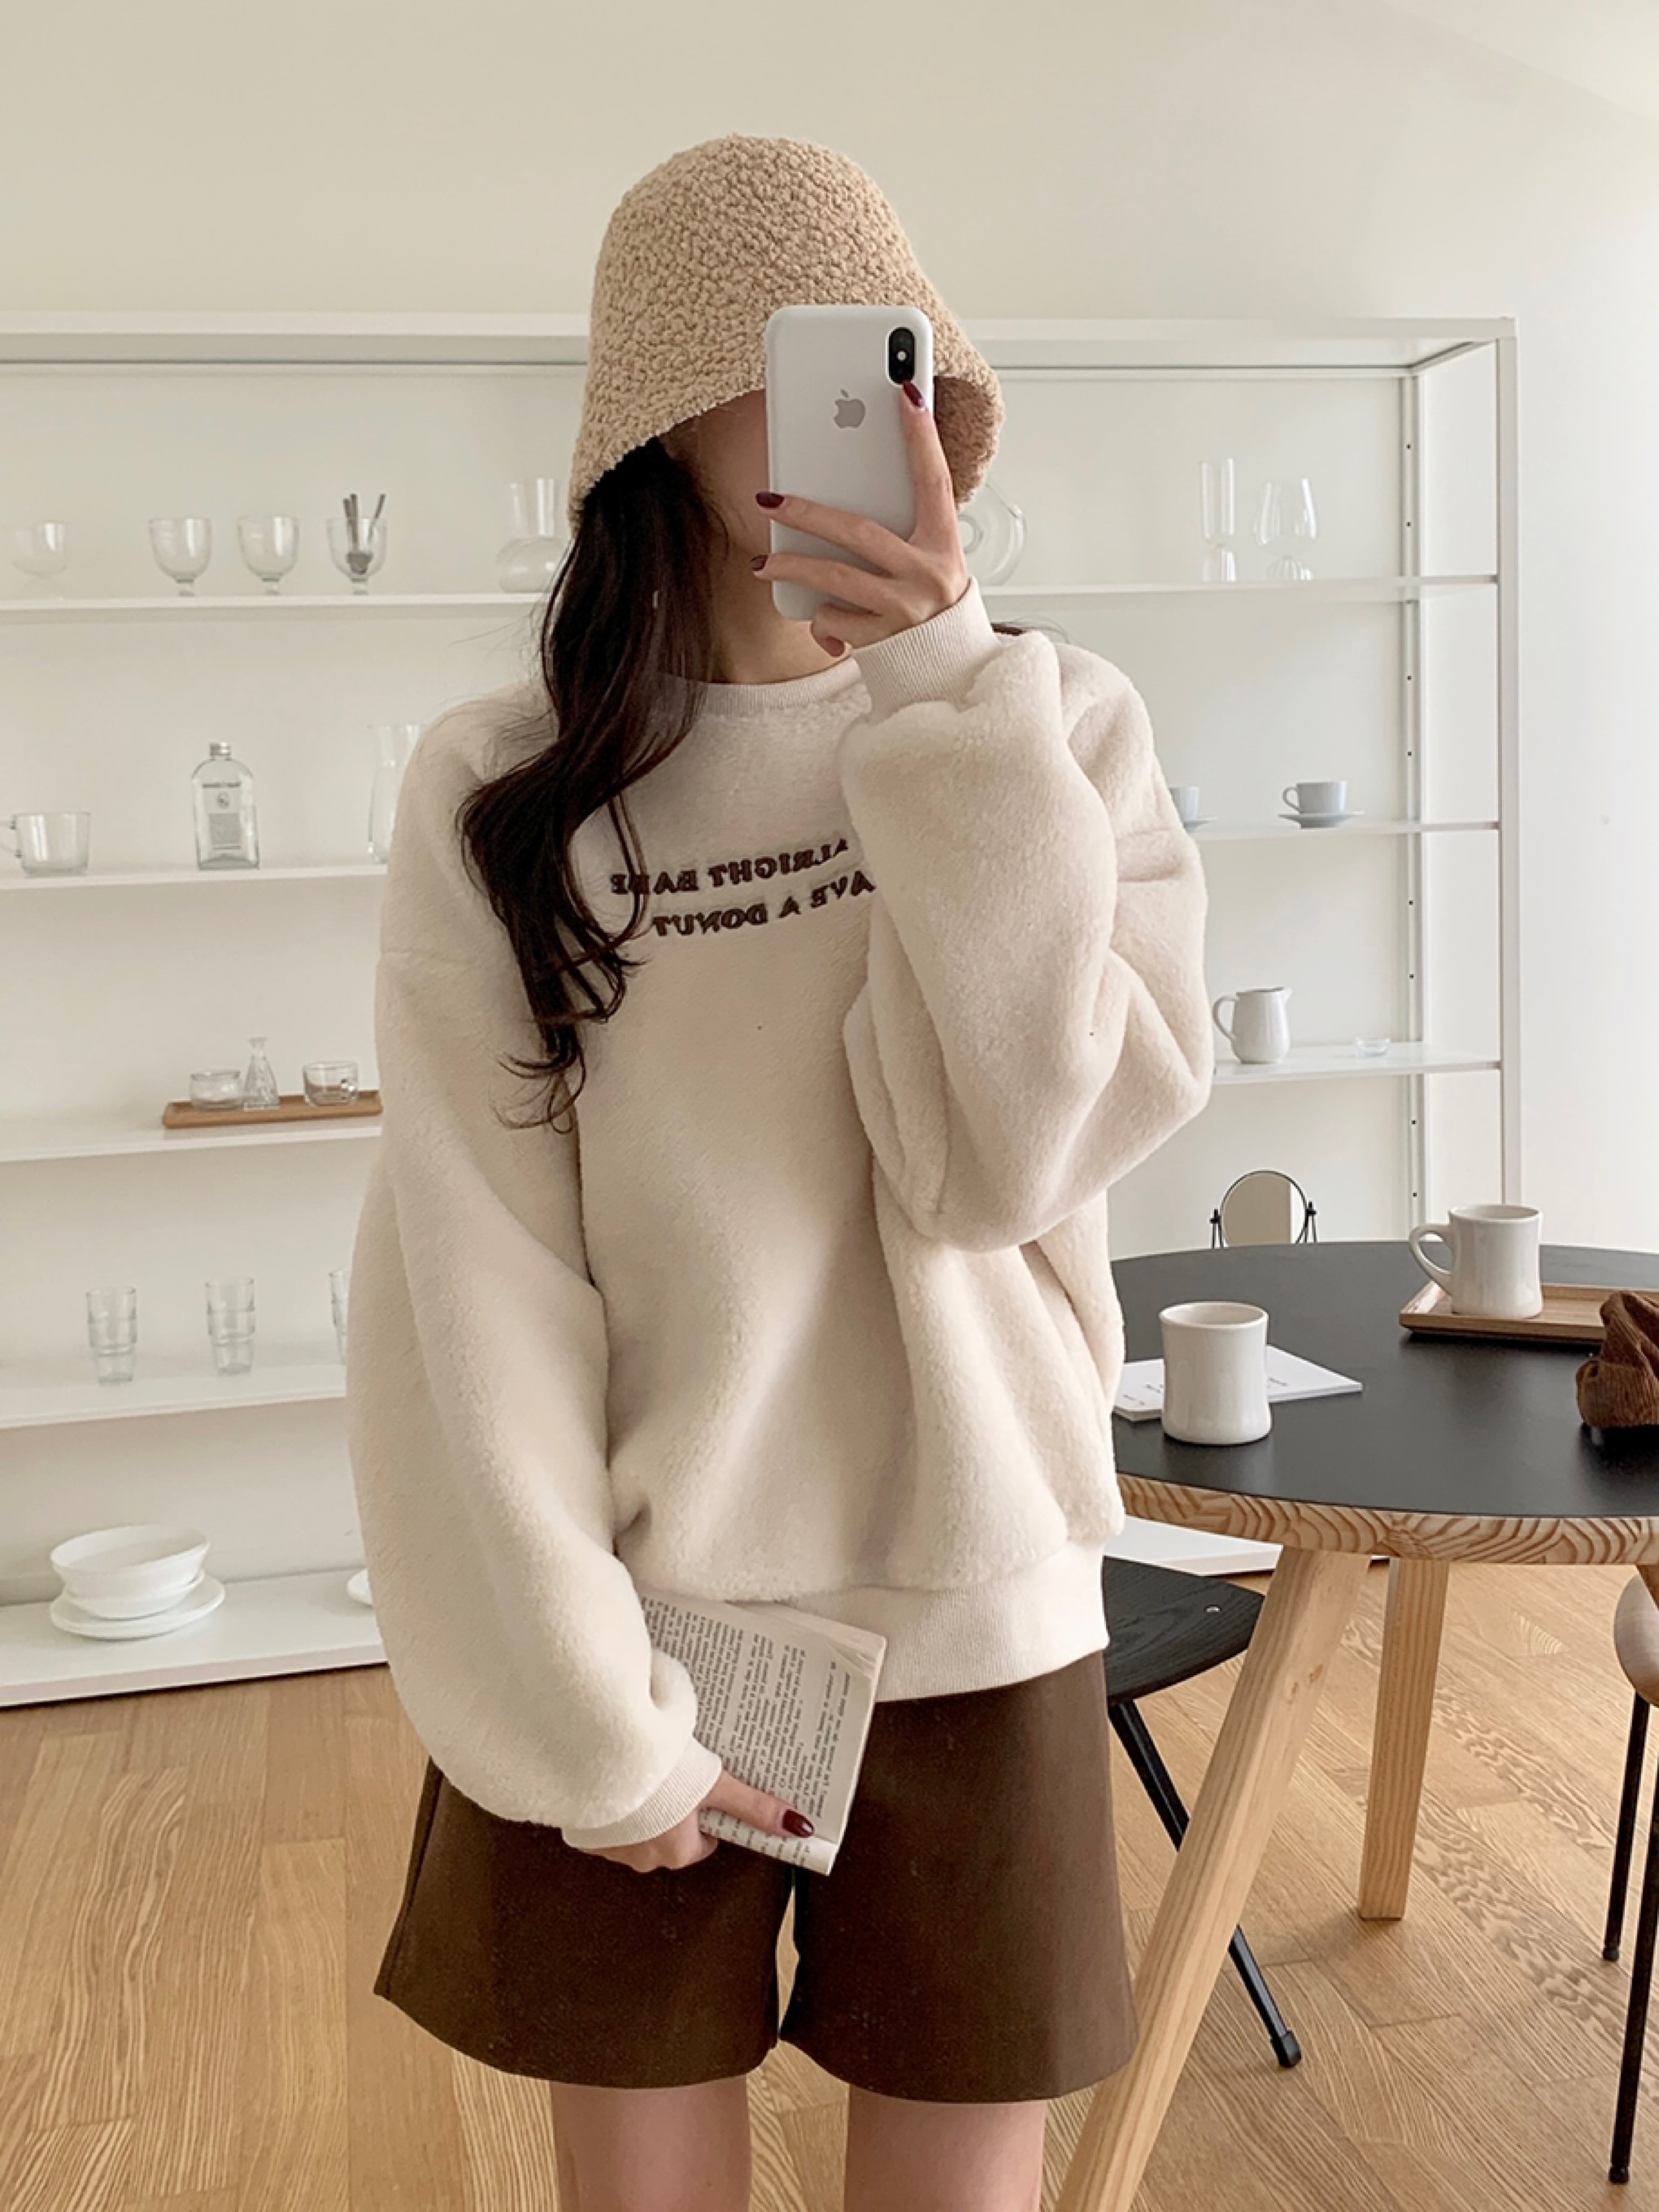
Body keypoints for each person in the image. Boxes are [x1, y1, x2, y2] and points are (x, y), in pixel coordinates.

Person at [344, 133, 1213, 2212]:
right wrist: (592, 1716)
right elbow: (477, 1288)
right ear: (658, 407)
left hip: (982, 1602)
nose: (864, 408)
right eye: (803, 361)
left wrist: (947, 696)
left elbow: (1008, 1156)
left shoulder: (1055, 728)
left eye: (895, 357)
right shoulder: (505, 792)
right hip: (650, 1623)